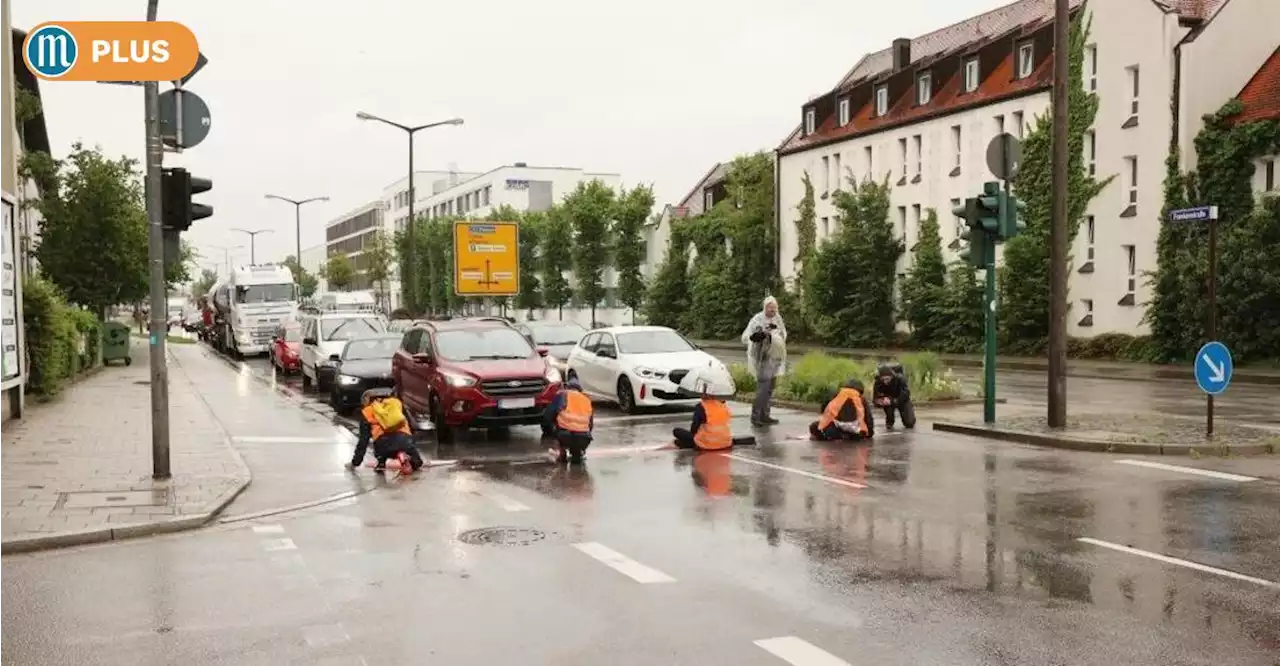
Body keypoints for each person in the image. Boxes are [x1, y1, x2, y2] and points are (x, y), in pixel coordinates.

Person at [348, 388, 425, 474]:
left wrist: (355, 462)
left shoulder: (367, 411)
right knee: (418, 463)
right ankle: (409, 458)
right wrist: (411, 443)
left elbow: (363, 441)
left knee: (380, 445)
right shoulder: (396, 403)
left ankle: (381, 464)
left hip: (383, 446)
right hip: (405, 441)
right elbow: (412, 425)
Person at [740, 295, 787, 428]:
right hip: (762, 358)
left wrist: (776, 334)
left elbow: (783, 332)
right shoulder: (757, 319)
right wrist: (761, 334)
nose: (773, 311)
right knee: (762, 388)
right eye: (770, 308)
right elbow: (748, 337)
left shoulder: (778, 318)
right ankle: (756, 416)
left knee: (770, 388)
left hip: (774, 358)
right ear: (765, 307)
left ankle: (765, 415)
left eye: (774, 308)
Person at [672, 364, 736, 451]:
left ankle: (688, 444)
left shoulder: (701, 406)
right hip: (726, 442)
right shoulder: (723, 405)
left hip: (706, 443)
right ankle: (686, 443)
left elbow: (694, 428)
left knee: (676, 431)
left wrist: (693, 437)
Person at [542, 376, 594, 464]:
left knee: (558, 430)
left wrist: (551, 429)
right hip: (584, 438)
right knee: (577, 445)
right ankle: (578, 452)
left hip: (564, 435)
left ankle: (561, 452)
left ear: (567, 387)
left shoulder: (562, 395)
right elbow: (590, 423)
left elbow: (548, 415)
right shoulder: (586, 399)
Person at [809, 379, 875, 441]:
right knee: (857, 432)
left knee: (814, 426)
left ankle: (837, 436)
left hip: (837, 428)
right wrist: (869, 433)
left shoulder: (836, 395)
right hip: (857, 430)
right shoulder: (862, 399)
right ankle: (849, 436)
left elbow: (824, 410)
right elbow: (868, 418)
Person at [873, 363, 916, 429]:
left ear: (891, 376)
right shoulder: (878, 383)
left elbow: (906, 394)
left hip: (901, 399)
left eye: (887, 379)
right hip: (888, 402)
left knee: (909, 423)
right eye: (883, 379)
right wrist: (881, 401)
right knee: (888, 408)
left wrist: (894, 401)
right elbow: (875, 398)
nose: (885, 381)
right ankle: (889, 421)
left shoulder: (900, 379)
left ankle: (909, 418)